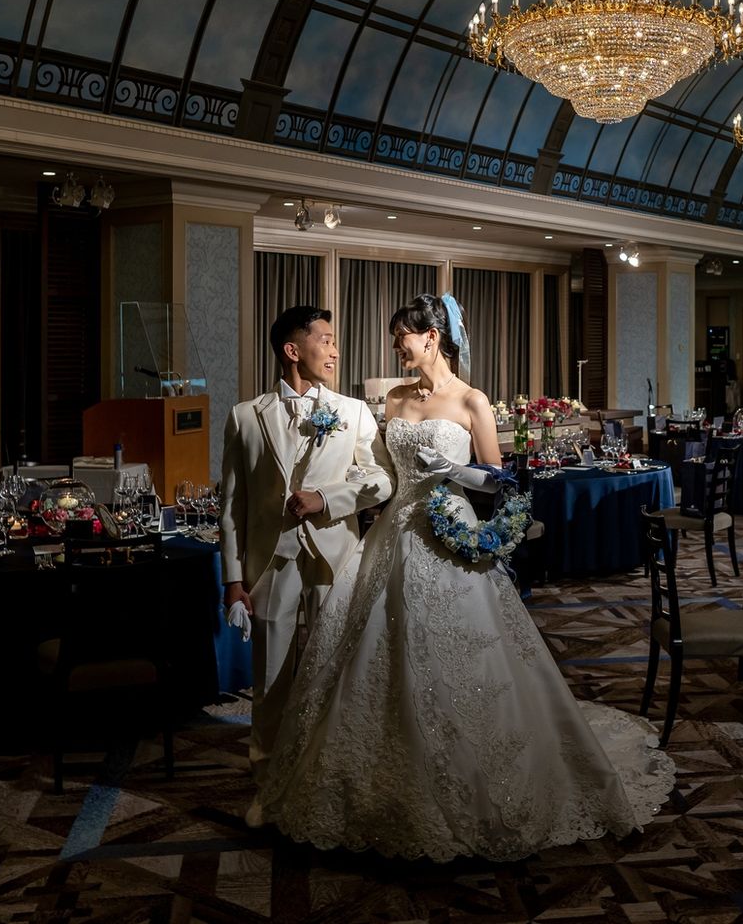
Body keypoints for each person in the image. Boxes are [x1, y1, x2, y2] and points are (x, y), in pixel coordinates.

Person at [254, 293, 674, 861]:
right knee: (374, 648)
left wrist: (454, 470)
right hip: (393, 534)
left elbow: (498, 479)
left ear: (432, 337)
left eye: (401, 335)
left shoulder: (472, 401)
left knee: (463, 653)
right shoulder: (395, 400)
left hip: (450, 532)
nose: (395, 345)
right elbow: (382, 475)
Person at [219, 305, 394, 816]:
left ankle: (329, 782)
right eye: (326, 340)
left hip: (334, 559)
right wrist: (233, 580)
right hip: (269, 564)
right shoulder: (246, 416)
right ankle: (268, 787)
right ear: (293, 350)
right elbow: (232, 506)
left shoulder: (354, 412)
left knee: (333, 674)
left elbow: (382, 479)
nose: (335, 351)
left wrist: (328, 498)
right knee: (270, 682)